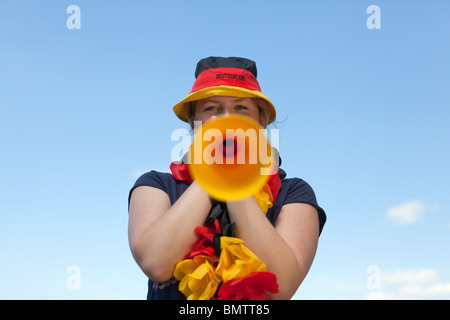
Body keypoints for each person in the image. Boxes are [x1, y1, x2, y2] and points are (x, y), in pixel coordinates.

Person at [128, 57, 326, 300]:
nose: (225, 118)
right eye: (211, 108)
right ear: (194, 120)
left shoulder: (294, 192)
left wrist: (238, 174)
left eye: (241, 108)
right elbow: (156, 263)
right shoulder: (156, 185)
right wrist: (212, 172)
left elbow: (280, 286)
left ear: (260, 119)